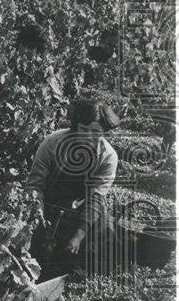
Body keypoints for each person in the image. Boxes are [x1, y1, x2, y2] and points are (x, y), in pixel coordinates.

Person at [25, 98, 120, 279]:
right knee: (38, 246)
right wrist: (39, 217)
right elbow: (35, 185)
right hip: (51, 202)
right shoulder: (52, 144)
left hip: (83, 206)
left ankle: (78, 270)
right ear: (74, 127)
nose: (87, 137)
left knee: (103, 230)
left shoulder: (108, 156)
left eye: (96, 133)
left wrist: (79, 234)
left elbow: (95, 198)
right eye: (83, 130)